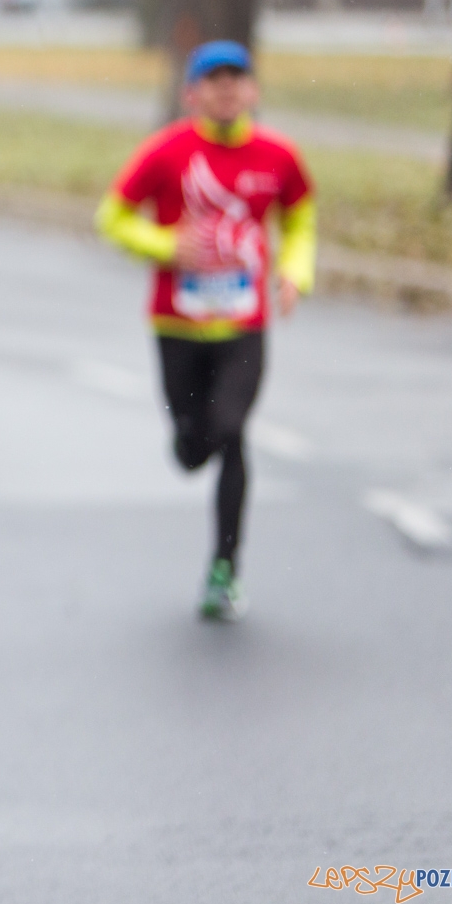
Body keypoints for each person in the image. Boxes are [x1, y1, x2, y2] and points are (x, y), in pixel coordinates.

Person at [95, 40, 316, 622]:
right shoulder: (166, 152)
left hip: (244, 327)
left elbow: (301, 217)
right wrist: (167, 245)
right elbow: (112, 217)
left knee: (232, 429)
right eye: (213, 80)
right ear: (191, 92)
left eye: (236, 79)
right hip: (177, 325)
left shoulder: (278, 156)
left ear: (253, 90)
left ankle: (225, 567)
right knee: (195, 448)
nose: (226, 89)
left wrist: (295, 272)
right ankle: (188, 443)